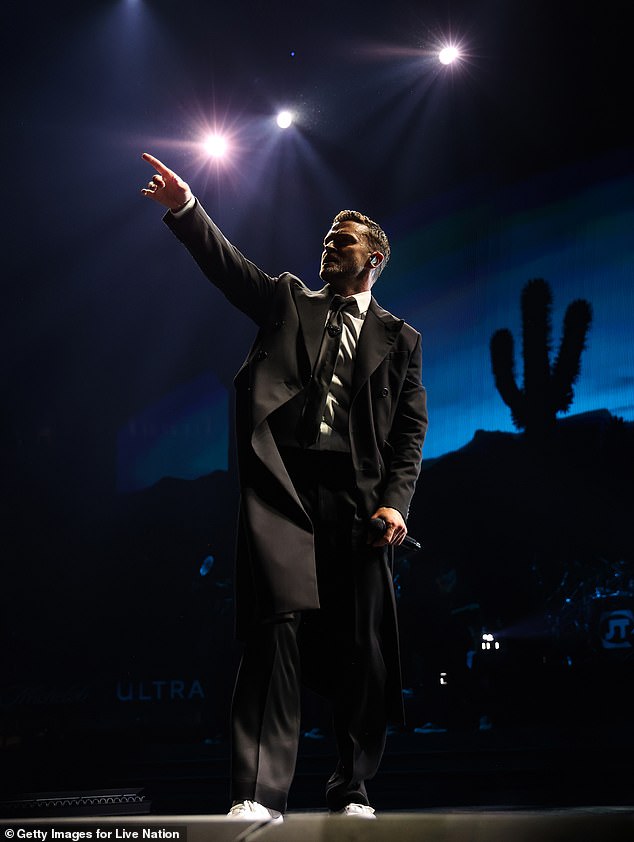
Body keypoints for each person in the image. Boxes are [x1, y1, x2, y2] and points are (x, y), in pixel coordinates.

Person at [140, 152, 428, 821]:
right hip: (284, 492)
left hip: (359, 504)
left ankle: (352, 789)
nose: (329, 246)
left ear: (375, 257)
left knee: (363, 649)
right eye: (326, 238)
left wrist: (396, 501)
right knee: (275, 638)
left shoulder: (401, 339)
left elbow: (410, 432)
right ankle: (257, 794)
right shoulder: (290, 300)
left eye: (344, 241)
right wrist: (187, 209)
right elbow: (229, 268)